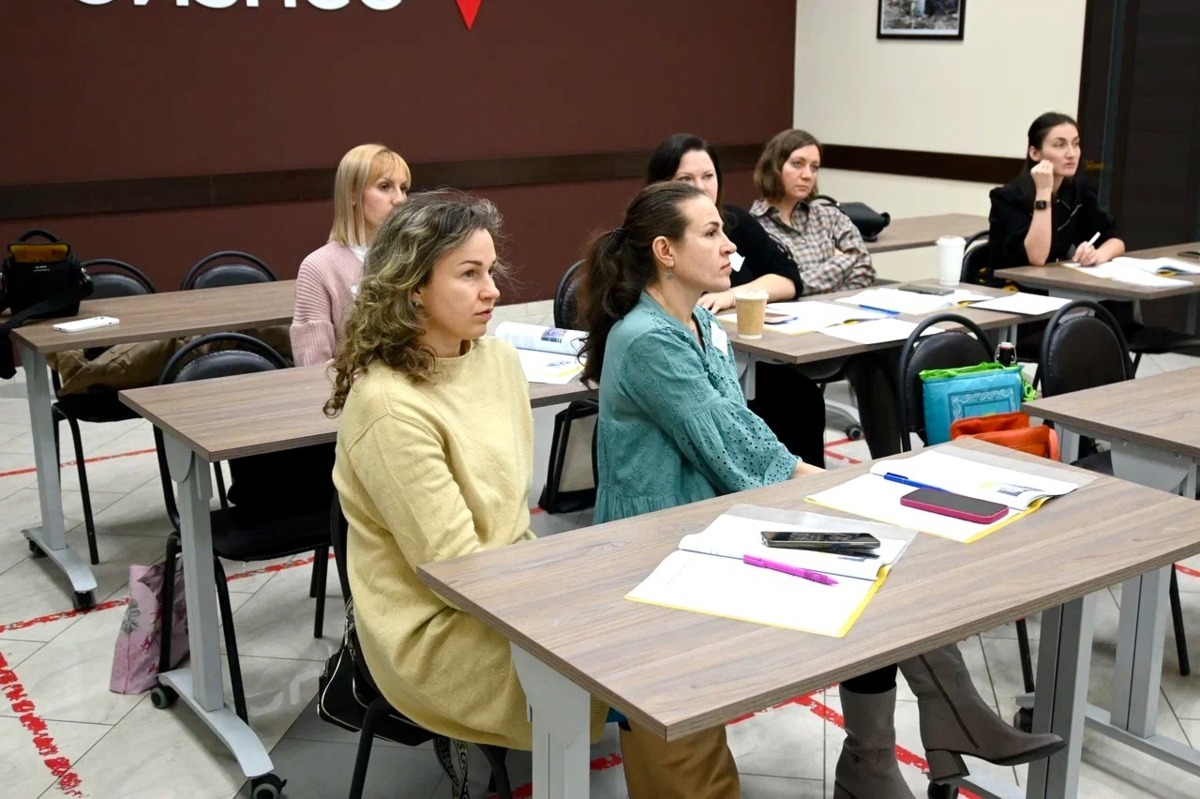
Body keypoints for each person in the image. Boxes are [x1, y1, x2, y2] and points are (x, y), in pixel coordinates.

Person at [579, 181, 1064, 799]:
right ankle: (931, 731)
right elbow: (731, 449)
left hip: (714, 519)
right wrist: (842, 480)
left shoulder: (700, 320)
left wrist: (844, 481)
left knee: (884, 552)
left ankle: (889, 750)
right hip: (660, 543)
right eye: (711, 234)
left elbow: (740, 435)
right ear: (664, 252)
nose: (731, 246)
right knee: (871, 545)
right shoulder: (646, 339)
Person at [325, 190, 739, 798]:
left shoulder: (493, 360)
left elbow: (506, 532)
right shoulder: (389, 408)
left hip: (514, 581)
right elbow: (461, 572)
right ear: (413, 286)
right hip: (438, 626)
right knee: (651, 662)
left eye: (490, 270)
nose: (492, 289)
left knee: (669, 638)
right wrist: (576, 601)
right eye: (469, 274)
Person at [645, 133, 826, 467]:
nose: (700, 187)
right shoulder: (655, 242)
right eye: (686, 179)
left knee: (801, 397)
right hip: (685, 364)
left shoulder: (736, 223)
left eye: (708, 176)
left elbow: (788, 277)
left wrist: (730, 295)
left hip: (745, 360)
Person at [749, 129, 901, 458]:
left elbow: (863, 270)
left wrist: (805, 280)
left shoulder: (828, 216)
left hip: (839, 331)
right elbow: (783, 284)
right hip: (788, 344)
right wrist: (834, 266)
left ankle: (889, 460)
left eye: (814, 167)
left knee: (878, 357)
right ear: (775, 166)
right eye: (798, 164)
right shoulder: (754, 227)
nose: (807, 174)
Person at [291, 143, 411, 366]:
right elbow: (313, 368)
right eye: (385, 186)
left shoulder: (414, 256)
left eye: (403, 188)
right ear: (352, 194)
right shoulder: (318, 267)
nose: (400, 199)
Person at [989, 112, 1125, 271]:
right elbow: (1037, 258)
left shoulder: (1078, 191)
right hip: (1013, 287)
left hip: (1055, 283)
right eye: (1059, 145)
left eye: (1075, 144)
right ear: (1035, 153)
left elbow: (1115, 242)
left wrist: (1098, 255)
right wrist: (1044, 192)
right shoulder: (1006, 198)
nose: (1071, 154)